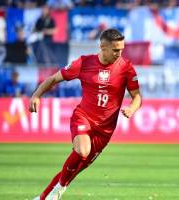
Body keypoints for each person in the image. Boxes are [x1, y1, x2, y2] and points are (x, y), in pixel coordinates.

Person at [30, 28, 142, 200]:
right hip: (83, 117)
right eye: (115, 50)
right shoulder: (84, 63)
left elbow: (137, 97)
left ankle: (42, 198)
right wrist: (37, 95)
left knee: (75, 167)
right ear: (102, 47)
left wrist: (132, 109)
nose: (119, 53)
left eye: (121, 49)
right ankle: (58, 191)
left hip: (105, 131)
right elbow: (53, 79)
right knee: (82, 151)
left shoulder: (126, 68)